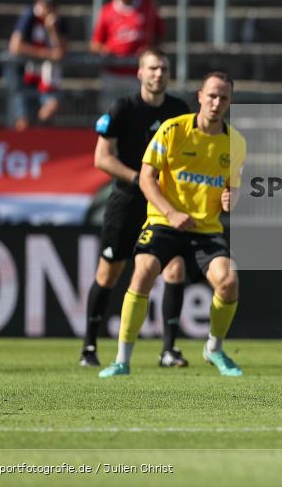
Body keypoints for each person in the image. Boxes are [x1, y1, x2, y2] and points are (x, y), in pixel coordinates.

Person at [98, 72, 247, 378]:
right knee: (142, 273)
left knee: (229, 281)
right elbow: (146, 177)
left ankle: (214, 349)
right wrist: (170, 212)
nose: (217, 103)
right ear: (200, 97)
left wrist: (232, 198)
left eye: (224, 98)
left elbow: (232, 187)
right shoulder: (173, 129)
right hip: (164, 222)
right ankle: (122, 359)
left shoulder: (235, 142)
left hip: (205, 229)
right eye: (213, 96)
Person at [80, 49, 191, 368]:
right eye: (153, 68)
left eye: (164, 68)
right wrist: (141, 179)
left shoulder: (178, 110)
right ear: (140, 73)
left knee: (175, 268)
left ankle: (169, 350)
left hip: (163, 204)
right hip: (127, 201)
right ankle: (89, 346)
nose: (159, 74)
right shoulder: (123, 108)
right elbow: (102, 157)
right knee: (109, 271)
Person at [91, 0, 165, 113]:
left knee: (138, 114)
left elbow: (160, 34)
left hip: (137, 74)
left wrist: (150, 50)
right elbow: (95, 44)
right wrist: (105, 50)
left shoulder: (147, 7)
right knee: (110, 115)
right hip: (112, 74)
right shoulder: (107, 11)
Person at [7, 0, 68, 131]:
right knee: (23, 121)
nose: (50, 9)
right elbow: (15, 46)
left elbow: (61, 52)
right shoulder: (29, 16)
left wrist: (52, 30)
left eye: (53, 6)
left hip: (47, 78)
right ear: (39, 3)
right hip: (24, 77)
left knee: (50, 109)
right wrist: (43, 54)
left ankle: (38, 137)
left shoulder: (59, 23)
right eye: (47, 5)